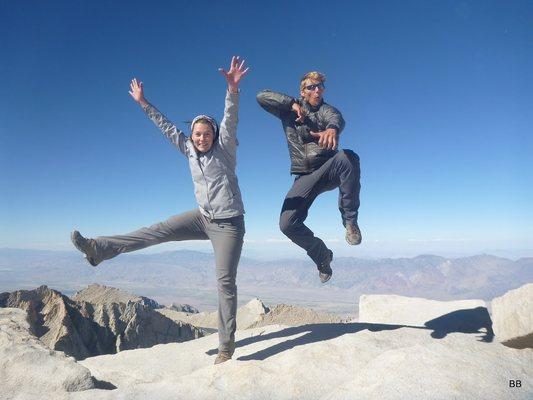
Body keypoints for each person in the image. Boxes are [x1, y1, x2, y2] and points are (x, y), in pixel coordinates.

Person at [71, 56, 249, 364]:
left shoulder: (225, 149)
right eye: (197, 134)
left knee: (224, 281)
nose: (202, 138)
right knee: (155, 232)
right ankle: (97, 249)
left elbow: (230, 118)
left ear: (214, 136)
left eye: (207, 134)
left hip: (229, 225)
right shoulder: (189, 151)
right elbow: (165, 125)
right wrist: (143, 102)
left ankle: (226, 345)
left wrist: (232, 90)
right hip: (202, 218)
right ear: (192, 136)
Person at [257, 71, 361, 284]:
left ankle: (350, 222)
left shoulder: (325, 110)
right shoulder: (288, 112)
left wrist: (332, 129)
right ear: (302, 91)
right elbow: (262, 96)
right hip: (304, 176)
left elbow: (335, 118)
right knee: (287, 224)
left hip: (328, 169)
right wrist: (292, 104)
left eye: (320, 86)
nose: (317, 90)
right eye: (311, 87)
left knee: (348, 157)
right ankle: (322, 256)